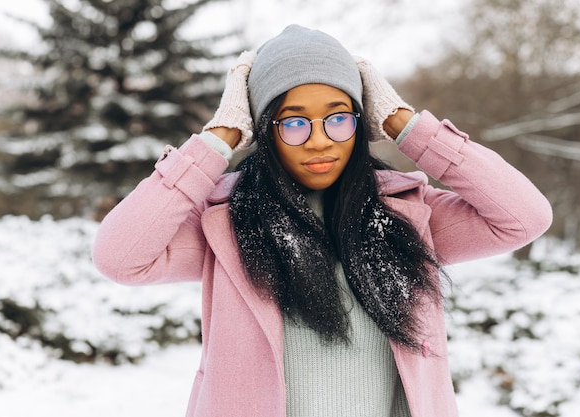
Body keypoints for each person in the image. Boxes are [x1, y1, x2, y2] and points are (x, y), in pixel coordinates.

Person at [92, 25, 552, 417]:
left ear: (361, 121)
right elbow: (119, 256)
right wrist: (219, 138)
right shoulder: (225, 225)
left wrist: (407, 126)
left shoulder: (410, 215)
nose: (319, 141)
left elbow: (523, 217)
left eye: (338, 119)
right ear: (265, 130)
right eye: (293, 123)